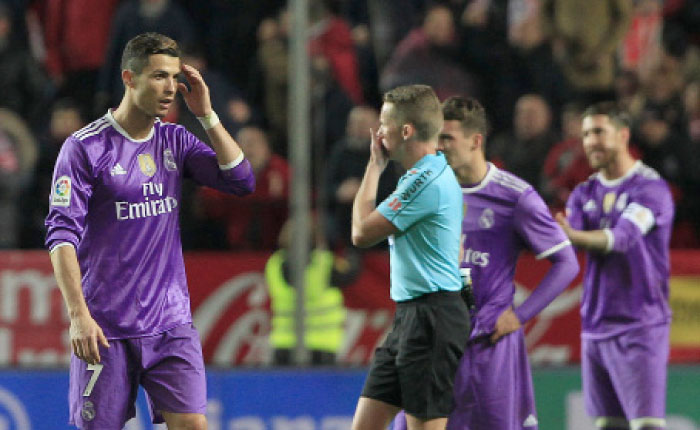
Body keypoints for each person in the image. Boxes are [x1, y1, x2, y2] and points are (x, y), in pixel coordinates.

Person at [45, 33, 255, 430]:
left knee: (193, 424)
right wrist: (78, 316)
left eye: (175, 77)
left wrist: (207, 115)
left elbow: (242, 180)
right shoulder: (85, 148)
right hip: (106, 328)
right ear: (129, 78)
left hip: (170, 322)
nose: (171, 88)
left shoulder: (174, 140)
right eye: (159, 76)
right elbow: (60, 236)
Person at [395, 96, 580, 430]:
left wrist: (519, 316)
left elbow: (566, 263)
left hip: (486, 347)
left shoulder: (513, 196)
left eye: (447, 138)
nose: (439, 146)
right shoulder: (429, 190)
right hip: (433, 343)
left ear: (476, 141)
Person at [350, 84, 469, 430]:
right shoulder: (423, 175)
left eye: (383, 124)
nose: (378, 132)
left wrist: (374, 167)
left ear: (406, 130)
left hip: (432, 318)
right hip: (411, 316)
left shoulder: (425, 181)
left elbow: (360, 232)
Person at [555, 102, 673, 430]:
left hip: (640, 324)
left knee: (647, 425)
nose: (590, 141)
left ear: (623, 135)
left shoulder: (650, 188)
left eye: (598, 132)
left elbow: (621, 239)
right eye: (585, 134)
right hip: (595, 324)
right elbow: (568, 240)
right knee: (608, 425)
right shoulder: (583, 193)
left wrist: (572, 234)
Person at [265, 218, 357, 366]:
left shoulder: (274, 263)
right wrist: (353, 250)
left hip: (283, 343)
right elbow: (352, 271)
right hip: (321, 346)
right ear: (316, 238)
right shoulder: (325, 262)